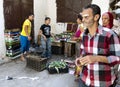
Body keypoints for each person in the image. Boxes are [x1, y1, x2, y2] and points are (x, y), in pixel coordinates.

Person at [75, 4, 120, 87]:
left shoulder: (110, 34)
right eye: (82, 17)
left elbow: (117, 58)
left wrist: (97, 58)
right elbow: (82, 54)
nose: (83, 20)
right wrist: (79, 61)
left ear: (96, 17)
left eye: (86, 17)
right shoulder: (84, 35)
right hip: (84, 80)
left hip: (102, 82)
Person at [102, 12, 120, 86]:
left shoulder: (114, 32)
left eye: (106, 18)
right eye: (102, 19)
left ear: (111, 19)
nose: (103, 20)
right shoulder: (101, 30)